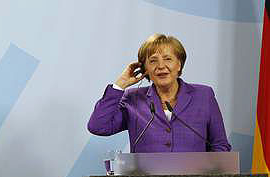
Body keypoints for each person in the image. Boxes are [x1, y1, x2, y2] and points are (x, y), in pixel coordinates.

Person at [87, 34, 231, 153]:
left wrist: (206, 176)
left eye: (168, 59)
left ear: (179, 64)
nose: (161, 66)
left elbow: (220, 145)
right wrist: (120, 85)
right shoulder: (133, 98)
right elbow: (98, 126)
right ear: (145, 69)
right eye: (153, 61)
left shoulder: (203, 95)